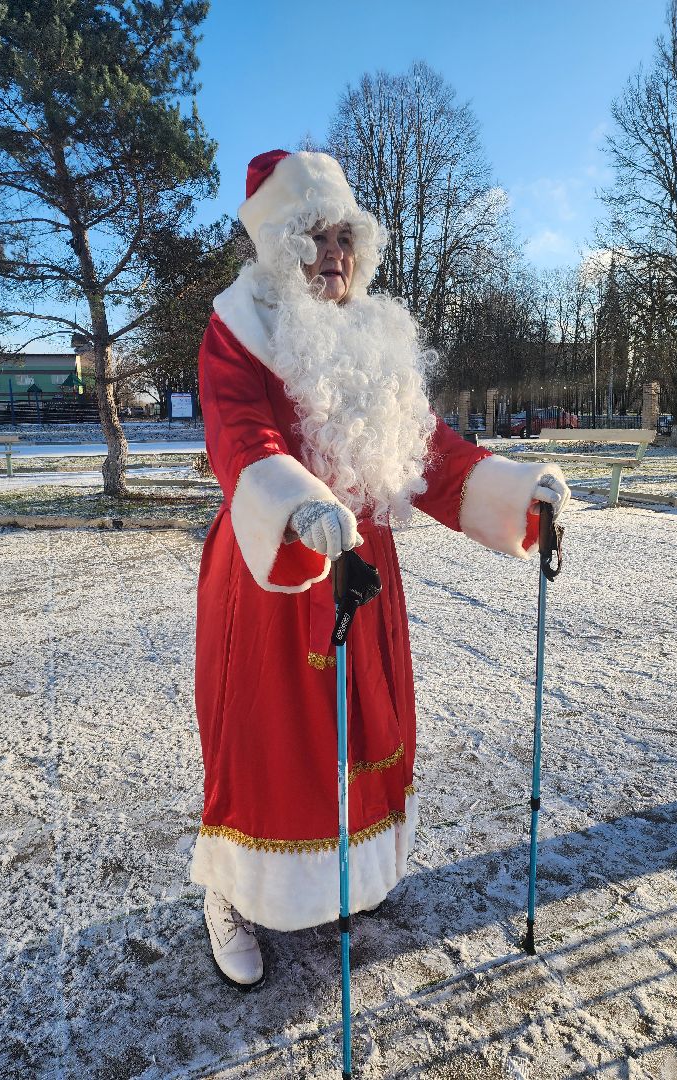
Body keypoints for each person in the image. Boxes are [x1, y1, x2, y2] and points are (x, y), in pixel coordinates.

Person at [190, 150, 570, 988]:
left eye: (345, 237)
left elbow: (429, 453)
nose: (334, 254)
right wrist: (298, 503)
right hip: (278, 568)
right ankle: (229, 893)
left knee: (367, 730)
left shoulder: (373, 337)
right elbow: (238, 435)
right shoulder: (240, 325)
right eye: (315, 237)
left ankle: (339, 879)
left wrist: (518, 491)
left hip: (365, 570)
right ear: (280, 248)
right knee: (265, 739)